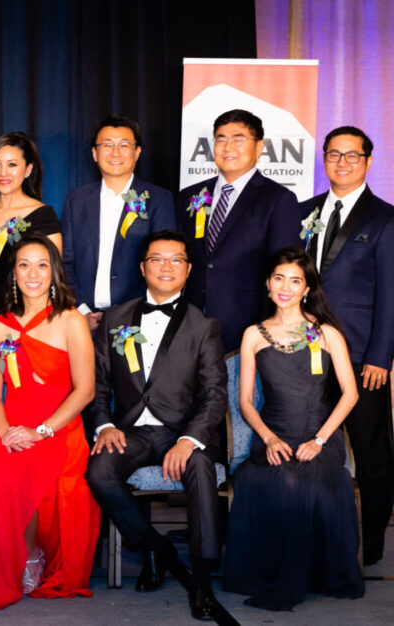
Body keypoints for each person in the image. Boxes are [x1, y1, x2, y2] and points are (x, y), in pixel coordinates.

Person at [84, 230, 228, 620]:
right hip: (130, 431)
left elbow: (214, 394)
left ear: (188, 269)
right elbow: (98, 385)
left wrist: (189, 439)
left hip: (181, 431)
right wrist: (104, 425)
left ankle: (202, 582)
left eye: (176, 260)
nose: (166, 267)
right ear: (142, 267)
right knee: (98, 471)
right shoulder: (114, 319)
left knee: (200, 466)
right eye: (157, 259)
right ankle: (154, 546)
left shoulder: (203, 325)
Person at [0, 233, 99, 610]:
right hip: (12, 427)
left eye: (41, 265)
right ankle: (3, 562)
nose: (33, 274)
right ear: (13, 272)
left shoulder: (71, 320)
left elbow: (85, 391)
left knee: (28, 466)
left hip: (58, 428)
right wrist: (4, 431)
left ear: (54, 272)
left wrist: (42, 431)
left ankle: (32, 553)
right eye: (24, 265)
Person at [224, 247, 364, 610]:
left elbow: (350, 395)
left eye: (295, 281)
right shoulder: (253, 334)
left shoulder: (327, 333)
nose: (285, 287)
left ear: (307, 289)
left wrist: (319, 440)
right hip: (274, 433)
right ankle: (275, 571)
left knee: (306, 480)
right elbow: (245, 402)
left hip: (320, 434)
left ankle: (308, 572)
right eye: (279, 278)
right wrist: (268, 438)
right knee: (272, 479)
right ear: (267, 284)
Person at [298, 125, 394, 566]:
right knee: (309, 444)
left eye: (352, 155)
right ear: (324, 159)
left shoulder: (385, 219)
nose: (342, 162)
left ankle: (370, 546)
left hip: (360, 357)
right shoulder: (304, 211)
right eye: (334, 154)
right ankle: (313, 536)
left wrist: (380, 356)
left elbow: (390, 295)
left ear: (368, 161)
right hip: (304, 353)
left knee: (371, 451)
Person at [175, 109, 302, 354]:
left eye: (238, 139)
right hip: (190, 322)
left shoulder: (278, 199)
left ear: (259, 147)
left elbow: (285, 268)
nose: (228, 146)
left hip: (247, 325)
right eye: (221, 139)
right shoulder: (190, 196)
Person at [61, 115, 176, 330]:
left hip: (137, 320)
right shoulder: (76, 200)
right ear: (94, 153)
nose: (115, 152)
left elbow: (163, 265)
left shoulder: (159, 199)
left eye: (124, 145)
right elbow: (65, 262)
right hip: (82, 321)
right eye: (107, 145)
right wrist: (82, 311)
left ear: (137, 152)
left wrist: (124, 313)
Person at [0, 132, 62, 329]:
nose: (3, 173)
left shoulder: (43, 215)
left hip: (24, 320)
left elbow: (52, 278)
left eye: (12, 165)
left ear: (28, 170)